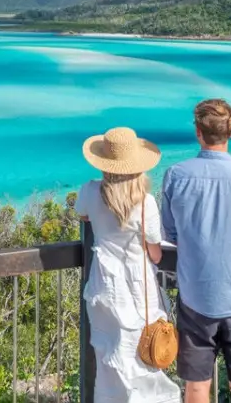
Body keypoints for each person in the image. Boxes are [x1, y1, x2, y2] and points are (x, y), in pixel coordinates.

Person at [160, 99, 231, 403]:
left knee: (197, 386)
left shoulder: (176, 175)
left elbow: (170, 233)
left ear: (198, 131)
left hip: (194, 296)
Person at [77, 127, 181, 403]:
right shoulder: (145, 202)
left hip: (103, 287)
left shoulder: (89, 191)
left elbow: (82, 214)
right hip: (138, 288)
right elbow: (156, 254)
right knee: (142, 357)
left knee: (107, 358)